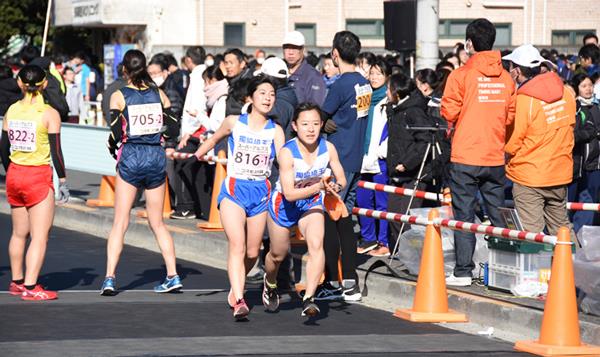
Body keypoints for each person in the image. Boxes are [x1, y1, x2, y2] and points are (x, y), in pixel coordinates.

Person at [192, 75, 285, 320]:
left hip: (261, 193)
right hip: (234, 191)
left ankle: (237, 284)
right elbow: (214, 138)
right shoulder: (234, 122)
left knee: (253, 252)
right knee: (238, 245)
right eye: (263, 93)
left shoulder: (276, 131)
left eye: (272, 94)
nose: (268, 98)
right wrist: (197, 155)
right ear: (250, 98)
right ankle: (239, 298)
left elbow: (286, 164)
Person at [441, 18, 515, 287]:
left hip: (465, 156)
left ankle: (463, 271)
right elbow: (510, 117)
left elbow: (449, 111)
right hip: (495, 156)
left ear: (469, 44)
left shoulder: (460, 75)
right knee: (498, 216)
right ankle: (505, 271)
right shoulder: (506, 78)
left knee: (463, 215)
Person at [101, 49, 181, 296]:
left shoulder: (119, 95)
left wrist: (113, 146)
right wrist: (162, 135)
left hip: (132, 156)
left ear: (124, 69)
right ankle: (173, 275)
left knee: (120, 222)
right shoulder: (158, 93)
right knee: (157, 223)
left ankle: (110, 278)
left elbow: (115, 133)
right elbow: (173, 128)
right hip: (156, 157)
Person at [264, 103, 346, 317]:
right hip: (284, 205)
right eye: (305, 124)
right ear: (295, 126)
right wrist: (318, 186)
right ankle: (270, 282)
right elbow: (290, 194)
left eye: (315, 124)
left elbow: (342, 178)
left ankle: (309, 298)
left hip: (311, 203)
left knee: (316, 244)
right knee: (277, 254)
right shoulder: (286, 153)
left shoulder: (328, 148)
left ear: (321, 126)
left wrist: (334, 186)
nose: (311, 129)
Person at [1, 65, 70, 300]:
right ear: (45, 84)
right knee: (40, 236)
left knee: (19, 233)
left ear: (20, 83)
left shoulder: (12, 109)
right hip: (37, 176)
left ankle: (17, 281)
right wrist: (63, 179)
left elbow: (3, 146)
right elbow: (57, 151)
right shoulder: (49, 113)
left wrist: (9, 169)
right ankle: (31, 287)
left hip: (14, 173)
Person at [503, 44, 577, 240]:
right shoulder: (567, 93)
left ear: (517, 71)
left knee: (532, 236)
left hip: (529, 175)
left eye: (510, 67)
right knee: (562, 230)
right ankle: (576, 269)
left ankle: (537, 272)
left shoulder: (524, 100)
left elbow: (512, 141)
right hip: (559, 173)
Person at [319, 30, 371, 302]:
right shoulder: (363, 82)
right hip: (354, 157)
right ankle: (350, 281)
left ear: (335, 54)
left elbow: (320, 115)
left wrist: (322, 122)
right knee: (345, 219)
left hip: (338, 158)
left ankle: (333, 281)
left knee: (330, 221)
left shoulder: (340, 85)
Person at [356, 58, 391, 257]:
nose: (375, 77)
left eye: (379, 73)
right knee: (363, 200)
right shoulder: (364, 96)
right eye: (372, 73)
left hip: (379, 158)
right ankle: (368, 238)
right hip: (362, 155)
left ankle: (384, 242)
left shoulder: (388, 99)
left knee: (382, 203)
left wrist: (381, 151)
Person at [568, 73, 600, 232]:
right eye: (584, 86)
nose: (588, 89)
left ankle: (582, 232)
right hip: (580, 162)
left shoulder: (596, 106)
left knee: (589, 199)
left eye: (590, 85)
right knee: (573, 200)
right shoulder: (575, 108)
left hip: (594, 162)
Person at [283, 31, 326, 107]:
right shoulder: (278, 72)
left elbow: (315, 108)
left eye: (295, 48)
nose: (290, 52)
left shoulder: (313, 77)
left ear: (303, 49)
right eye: (287, 47)